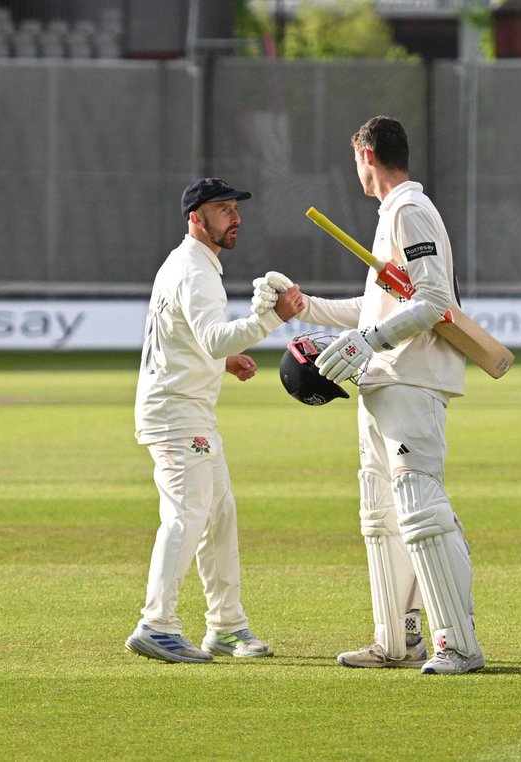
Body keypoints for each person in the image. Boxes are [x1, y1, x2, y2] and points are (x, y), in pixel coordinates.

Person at [283, 116, 484, 674]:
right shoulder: (389, 216)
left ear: (367, 154)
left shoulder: (411, 211)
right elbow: (375, 309)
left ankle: (458, 644)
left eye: (355, 161)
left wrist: (366, 341)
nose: (356, 171)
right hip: (381, 380)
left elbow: (435, 300)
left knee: (418, 510)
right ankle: (396, 641)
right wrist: (307, 308)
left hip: (412, 379)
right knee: (381, 515)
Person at [125, 177, 305, 663]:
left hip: (188, 408)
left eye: (235, 209)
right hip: (178, 413)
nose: (235, 218)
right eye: (223, 210)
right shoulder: (195, 271)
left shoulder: (188, 263)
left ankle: (226, 627)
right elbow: (211, 337)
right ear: (196, 218)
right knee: (188, 515)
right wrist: (271, 320)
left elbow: (178, 335)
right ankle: (157, 623)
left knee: (219, 516)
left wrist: (222, 361)